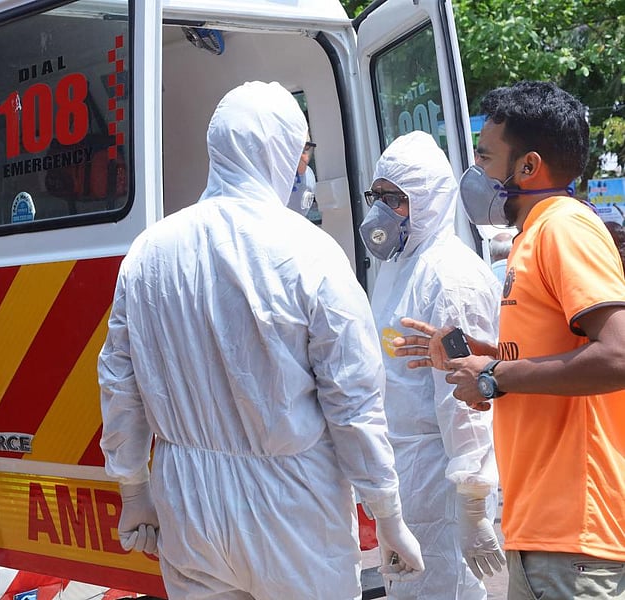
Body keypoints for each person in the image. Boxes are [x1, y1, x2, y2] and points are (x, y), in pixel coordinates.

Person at [98, 81, 424, 599]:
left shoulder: (148, 253)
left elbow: (119, 381)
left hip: (188, 502)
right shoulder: (310, 253)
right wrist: (386, 510)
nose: (302, 170)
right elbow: (353, 401)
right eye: (301, 156)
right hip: (294, 509)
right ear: (280, 153)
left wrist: (134, 487)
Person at [393, 81, 625, 600]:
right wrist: (480, 355)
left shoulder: (564, 229)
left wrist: (495, 379)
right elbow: (550, 356)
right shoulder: (533, 238)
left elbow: (617, 354)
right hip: (540, 529)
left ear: (528, 167)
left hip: (576, 535)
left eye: (484, 156)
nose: (473, 173)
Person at [358, 131, 503, 599]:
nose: (381, 209)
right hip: (406, 479)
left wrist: (474, 501)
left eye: (395, 199)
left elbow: (466, 399)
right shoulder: (399, 268)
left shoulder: (451, 277)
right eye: (377, 195)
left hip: (441, 485)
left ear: (428, 201)